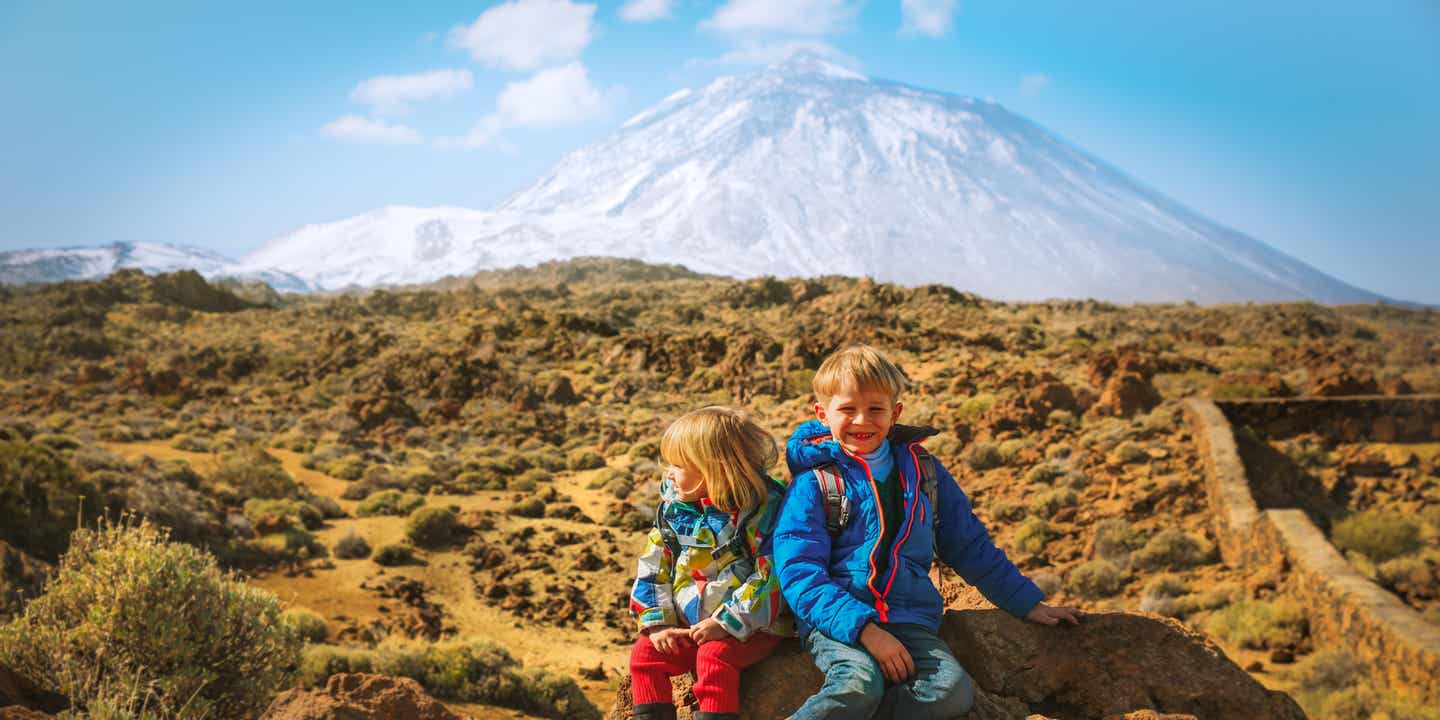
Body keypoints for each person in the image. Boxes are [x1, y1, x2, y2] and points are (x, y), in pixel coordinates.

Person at [774, 345, 1083, 719]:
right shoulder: (816, 482)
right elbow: (799, 571)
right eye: (847, 409)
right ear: (823, 414)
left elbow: (968, 544)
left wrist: (1027, 603)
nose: (861, 420)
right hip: (837, 620)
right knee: (858, 684)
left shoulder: (923, 470)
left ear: (895, 413)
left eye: (875, 409)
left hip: (908, 616)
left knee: (950, 693)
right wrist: (866, 631)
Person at [628, 406, 795, 720]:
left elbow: (770, 576)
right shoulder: (674, 510)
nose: (669, 473)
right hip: (690, 626)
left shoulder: (761, 511)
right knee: (645, 655)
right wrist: (659, 623)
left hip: (752, 626)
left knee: (715, 658)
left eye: (678, 465)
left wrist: (726, 622)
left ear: (715, 469)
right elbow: (654, 565)